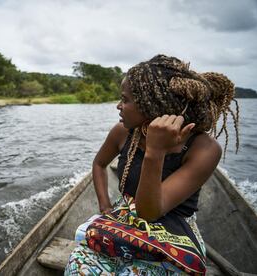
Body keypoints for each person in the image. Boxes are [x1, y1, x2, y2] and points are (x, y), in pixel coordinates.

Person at [65, 54, 239, 275]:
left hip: (174, 227)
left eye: (125, 100)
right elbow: (99, 164)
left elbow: (149, 212)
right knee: (78, 268)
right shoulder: (123, 131)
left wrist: (156, 151)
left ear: (153, 105)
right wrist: (105, 207)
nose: (119, 106)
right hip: (123, 214)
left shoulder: (204, 148)